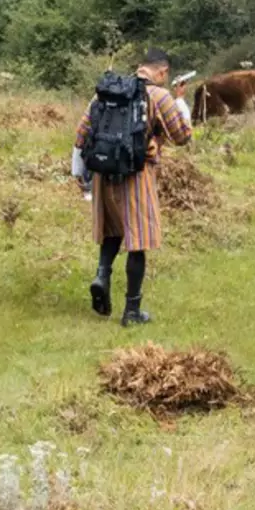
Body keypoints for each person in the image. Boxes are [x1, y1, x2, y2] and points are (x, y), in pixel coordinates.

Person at [76, 47, 192, 326]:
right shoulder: (159, 95)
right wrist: (181, 103)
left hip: (104, 174)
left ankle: (102, 275)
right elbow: (182, 135)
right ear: (162, 72)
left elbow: (82, 132)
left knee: (113, 231)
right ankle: (132, 311)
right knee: (138, 242)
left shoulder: (107, 89)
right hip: (136, 176)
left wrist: (81, 174)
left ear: (141, 66)